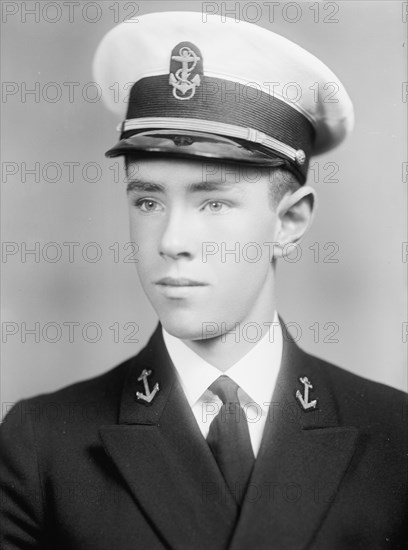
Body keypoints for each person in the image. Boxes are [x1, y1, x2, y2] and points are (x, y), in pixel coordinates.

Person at [1, 11, 407, 550]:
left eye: (214, 202)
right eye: (147, 200)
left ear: (290, 221)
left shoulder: (395, 440)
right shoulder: (42, 444)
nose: (171, 240)